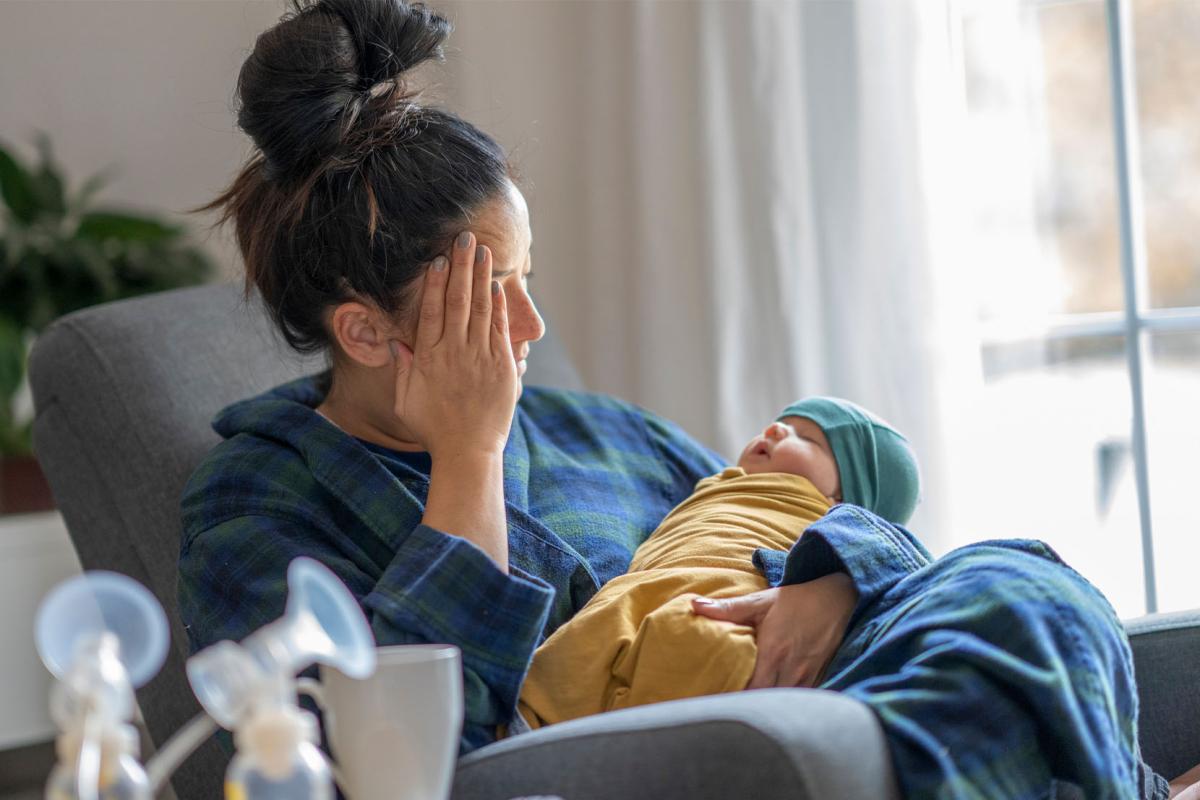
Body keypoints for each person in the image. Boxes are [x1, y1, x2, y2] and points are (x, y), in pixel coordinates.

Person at [177, 1, 1199, 797]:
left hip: (835, 686)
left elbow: (774, 514)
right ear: (364, 329)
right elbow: (374, 762)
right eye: (494, 299)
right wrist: (469, 460)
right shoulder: (255, 501)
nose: (532, 331)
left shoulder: (606, 435)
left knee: (1020, 581)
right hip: (650, 764)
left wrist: (833, 578)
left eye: (530, 282)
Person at [516, 397, 921, 730]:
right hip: (642, 590)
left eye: (810, 440)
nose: (776, 430)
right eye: (781, 422)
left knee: (703, 645)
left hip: (726, 592)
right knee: (564, 667)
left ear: (843, 498)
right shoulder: (715, 482)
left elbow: (887, 556)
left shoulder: (830, 517)